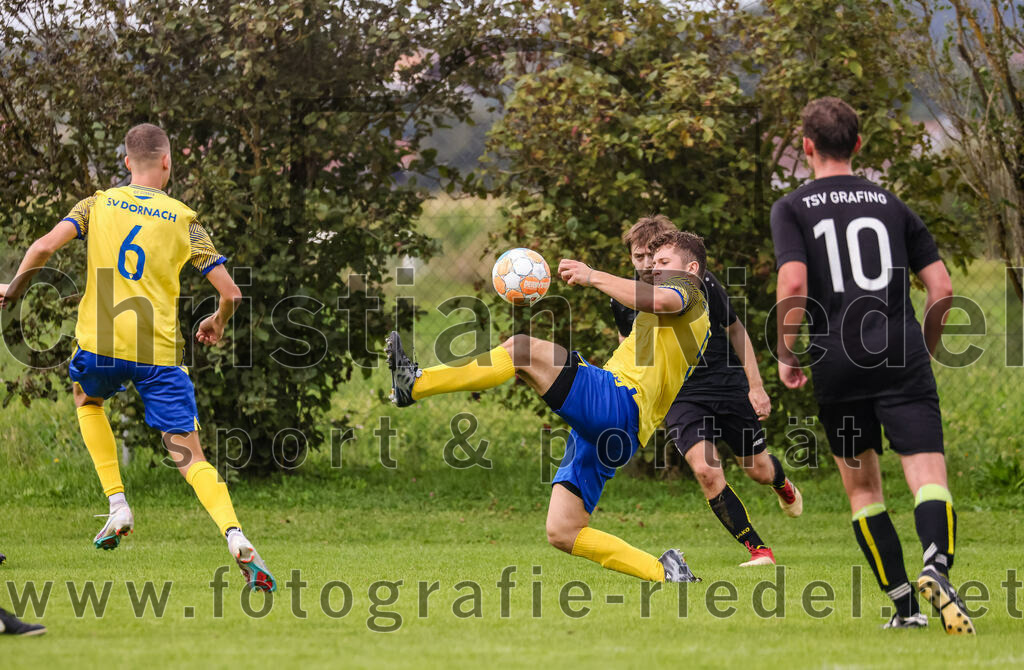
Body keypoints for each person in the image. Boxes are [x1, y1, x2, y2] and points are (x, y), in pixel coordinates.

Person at [0, 123, 275, 592]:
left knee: (86, 398)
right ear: (167, 162)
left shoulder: (95, 205)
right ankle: (235, 534)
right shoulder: (185, 219)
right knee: (189, 456)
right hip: (159, 356)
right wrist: (216, 322)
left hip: (100, 345)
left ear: (127, 162)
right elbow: (230, 294)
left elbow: (43, 247)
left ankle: (117, 503)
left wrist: (13, 291)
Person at [388, 232, 711, 582]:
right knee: (563, 531)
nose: (653, 268)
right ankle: (666, 573)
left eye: (663, 263)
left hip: (619, 402)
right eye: (651, 261)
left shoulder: (690, 293)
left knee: (522, 350)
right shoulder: (665, 309)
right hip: (620, 431)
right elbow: (648, 337)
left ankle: (415, 385)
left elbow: (662, 301)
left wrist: (591, 275)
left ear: (691, 268)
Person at [771, 97, 971, 633]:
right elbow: (943, 288)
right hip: (900, 352)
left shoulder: (791, 207)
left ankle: (906, 609)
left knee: (863, 491)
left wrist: (788, 353)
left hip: (836, 360)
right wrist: (921, 347)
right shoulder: (892, 205)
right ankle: (937, 564)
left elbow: (793, 284)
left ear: (807, 146)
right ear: (858, 145)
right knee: (927, 476)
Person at [612, 217, 802, 568]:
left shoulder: (699, 283)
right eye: (637, 257)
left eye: (653, 258)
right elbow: (633, 357)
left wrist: (756, 386)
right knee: (705, 470)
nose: (645, 265)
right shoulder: (624, 298)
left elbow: (735, 329)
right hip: (681, 394)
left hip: (725, 383)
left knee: (757, 469)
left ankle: (780, 482)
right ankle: (759, 550)